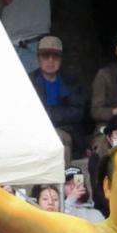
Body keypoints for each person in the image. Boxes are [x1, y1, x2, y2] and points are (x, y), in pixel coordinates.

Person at [28, 35, 86, 164]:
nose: (50, 61)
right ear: (38, 58)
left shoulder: (71, 81)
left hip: (66, 131)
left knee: (59, 141)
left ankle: (62, 182)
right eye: (45, 56)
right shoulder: (28, 81)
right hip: (35, 131)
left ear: (61, 59)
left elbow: (77, 112)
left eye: (55, 56)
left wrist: (48, 114)